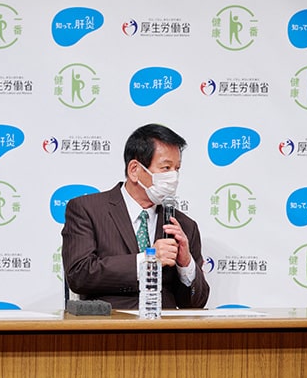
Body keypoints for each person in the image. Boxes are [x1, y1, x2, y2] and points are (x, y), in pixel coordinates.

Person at [62, 123, 210, 309]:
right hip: (109, 323)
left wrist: (186, 264)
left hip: (166, 325)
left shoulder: (183, 225)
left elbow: (196, 303)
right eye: (166, 168)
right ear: (134, 170)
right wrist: (146, 261)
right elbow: (79, 275)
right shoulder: (87, 210)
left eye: (177, 168)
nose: (173, 177)